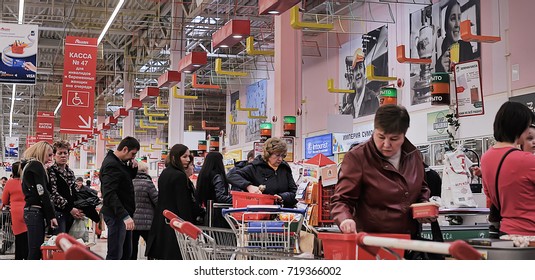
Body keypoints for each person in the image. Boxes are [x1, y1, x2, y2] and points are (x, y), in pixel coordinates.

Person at [331, 104, 432, 238]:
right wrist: (345, 219)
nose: (386, 144)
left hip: (410, 242)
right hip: (374, 244)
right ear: (374, 131)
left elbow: (422, 188)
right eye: (381, 137)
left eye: (394, 139)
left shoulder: (414, 155)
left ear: (404, 135)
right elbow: (341, 200)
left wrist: (424, 207)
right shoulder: (357, 157)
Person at [481, 101, 535, 237]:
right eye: (527, 126)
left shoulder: (486, 158)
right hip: (530, 234)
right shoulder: (526, 160)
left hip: (507, 232)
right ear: (519, 126)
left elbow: (489, 194)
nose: (529, 130)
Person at [146, 144, 204, 260]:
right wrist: (188, 226)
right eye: (184, 156)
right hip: (176, 224)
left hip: (163, 222)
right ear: (175, 157)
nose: (188, 160)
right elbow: (183, 203)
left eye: (189, 157)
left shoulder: (165, 173)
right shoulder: (180, 176)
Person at [99, 136, 140, 260]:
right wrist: (124, 216)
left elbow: (123, 181)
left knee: (126, 253)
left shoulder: (118, 163)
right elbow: (109, 193)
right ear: (125, 149)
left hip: (121, 215)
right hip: (116, 215)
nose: (133, 157)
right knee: (115, 255)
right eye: (133, 153)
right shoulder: (112, 164)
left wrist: (133, 169)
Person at [227, 137, 298, 208]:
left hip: (283, 213)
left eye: (283, 156)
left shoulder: (284, 169)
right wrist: (249, 186)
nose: (280, 159)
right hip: (259, 212)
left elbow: (295, 193)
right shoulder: (255, 167)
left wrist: (282, 197)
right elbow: (231, 176)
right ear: (268, 154)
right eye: (277, 155)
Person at [20, 141, 58, 259]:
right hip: (35, 212)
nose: (51, 158)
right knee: (35, 251)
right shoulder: (37, 165)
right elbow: (43, 192)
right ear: (42, 152)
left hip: (31, 212)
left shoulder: (27, 166)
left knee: (34, 249)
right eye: (49, 155)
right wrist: (51, 215)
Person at [47, 140, 83, 234]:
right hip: (58, 214)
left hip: (71, 214)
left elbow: (74, 192)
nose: (63, 155)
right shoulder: (51, 172)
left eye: (65, 153)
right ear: (54, 155)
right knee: (59, 244)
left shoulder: (70, 172)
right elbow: (53, 194)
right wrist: (70, 208)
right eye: (60, 153)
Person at [435, 0, 477, 72]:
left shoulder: (466, 47)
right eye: (453, 18)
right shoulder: (440, 63)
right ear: (446, 25)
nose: (457, 24)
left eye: (459, 18)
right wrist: (443, 72)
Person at [195, 152, 232, 227]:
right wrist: (235, 200)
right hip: (219, 215)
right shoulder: (217, 176)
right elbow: (220, 196)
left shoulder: (203, 176)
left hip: (207, 214)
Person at [130, 161, 158, 260]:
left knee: (132, 248)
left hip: (132, 221)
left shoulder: (130, 182)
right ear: (145, 171)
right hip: (148, 222)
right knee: (151, 247)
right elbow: (156, 200)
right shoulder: (148, 183)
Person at [0, 162, 28, 259]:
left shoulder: (10, 183)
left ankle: (19, 259)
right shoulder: (27, 181)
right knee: (29, 239)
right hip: (29, 211)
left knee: (19, 239)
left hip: (16, 213)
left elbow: (4, 200)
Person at [351, 48, 379, 118]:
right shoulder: (350, 103)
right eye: (355, 70)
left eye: (360, 67)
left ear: (364, 71)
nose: (358, 73)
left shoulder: (372, 98)